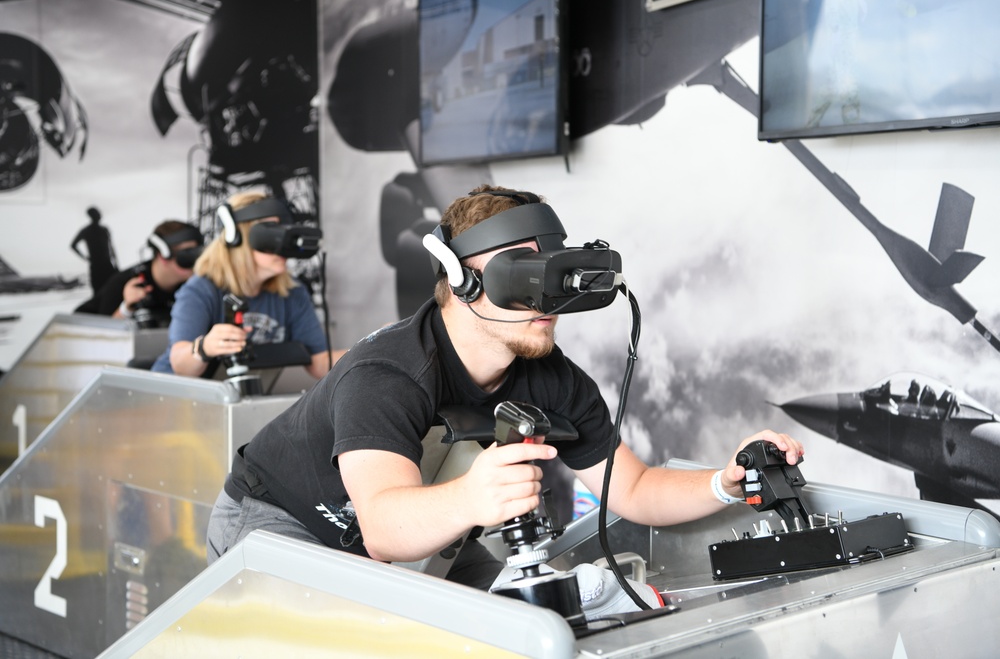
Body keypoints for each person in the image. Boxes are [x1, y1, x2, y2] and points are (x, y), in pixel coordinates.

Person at [205, 185, 804, 603]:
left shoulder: (553, 378)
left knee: (520, 623)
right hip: (283, 521)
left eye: (554, 275)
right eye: (522, 276)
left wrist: (725, 482)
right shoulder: (389, 371)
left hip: (427, 534)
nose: (547, 302)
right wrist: (472, 497)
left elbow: (636, 489)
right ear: (461, 279)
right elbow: (384, 526)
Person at [151, 191, 340, 380]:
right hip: (175, 393)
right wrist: (204, 347)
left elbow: (320, 363)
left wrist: (359, 352)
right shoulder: (200, 290)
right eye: (272, 233)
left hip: (242, 395)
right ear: (236, 238)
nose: (282, 244)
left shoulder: (292, 292)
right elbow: (181, 366)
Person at [75, 220, 203, 327]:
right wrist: (126, 308)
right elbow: (102, 334)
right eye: (187, 255)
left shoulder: (194, 286)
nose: (195, 262)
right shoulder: (123, 284)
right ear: (163, 256)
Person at [70, 206, 118, 294]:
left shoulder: (104, 230)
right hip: (97, 266)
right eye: (97, 213)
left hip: (107, 265)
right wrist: (85, 258)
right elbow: (73, 245)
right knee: (100, 293)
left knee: (112, 291)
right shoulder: (87, 231)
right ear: (92, 216)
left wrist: (116, 264)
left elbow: (111, 248)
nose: (100, 215)